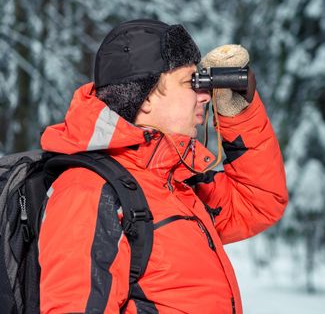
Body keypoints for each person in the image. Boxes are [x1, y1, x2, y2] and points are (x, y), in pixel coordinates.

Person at [38, 19, 288, 313]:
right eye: (190, 82)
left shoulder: (171, 183)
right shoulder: (88, 193)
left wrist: (237, 112)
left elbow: (257, 202)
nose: (204, 95)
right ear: (146, 99)